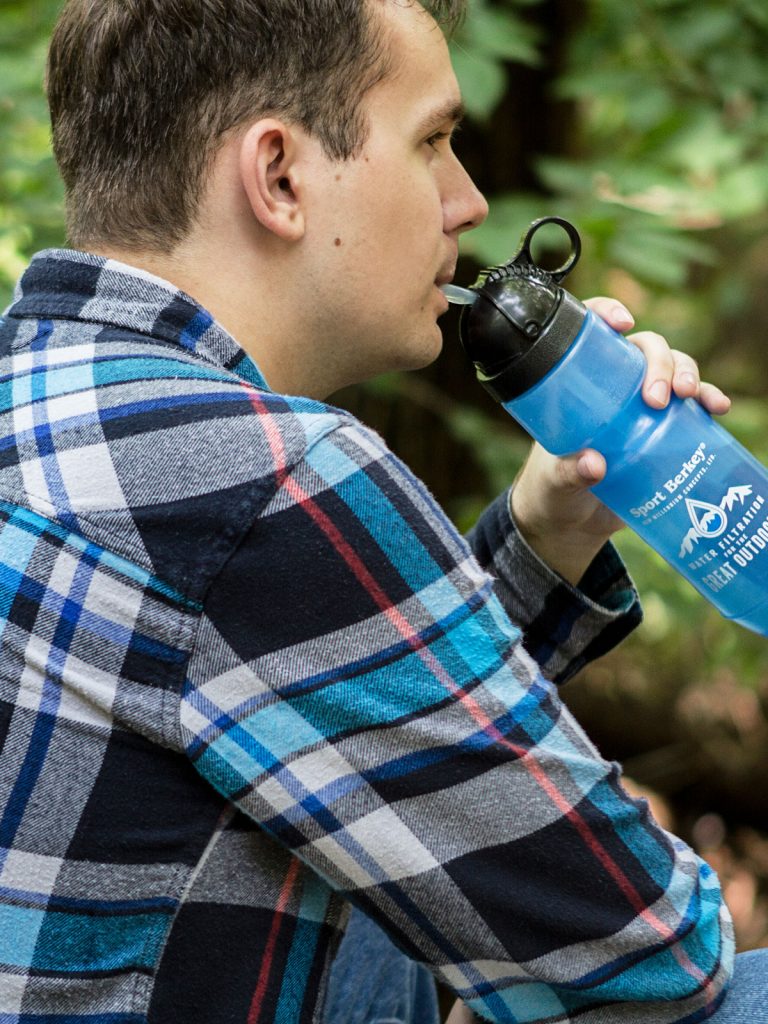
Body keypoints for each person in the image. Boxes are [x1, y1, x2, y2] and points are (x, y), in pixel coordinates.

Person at [0, 1, 764, 1022]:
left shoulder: (40, 389)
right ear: (279, 176)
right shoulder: (270, 477)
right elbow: (652, 949)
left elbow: (323, 712)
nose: (471, 200)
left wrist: (545, 533)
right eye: (436, 142)